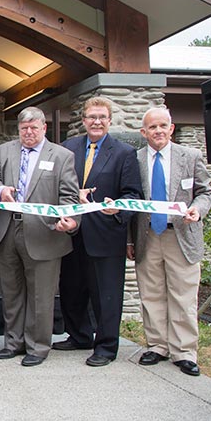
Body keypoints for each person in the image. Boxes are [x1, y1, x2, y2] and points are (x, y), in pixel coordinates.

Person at [0, 106, 80, 367]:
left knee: (41, 295)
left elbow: (69, 196)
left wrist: (70, 220)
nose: (28, 132)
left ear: (44, 128)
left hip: (45, 233)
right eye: (24, 128)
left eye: (34, 128)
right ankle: (13, 342)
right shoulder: (5, 151)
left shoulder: (62, 156)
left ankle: (38, 346)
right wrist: (0, 190)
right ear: (18, 129)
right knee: (11, 291)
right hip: (7, 230)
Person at [56, 97, 142, 367]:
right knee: (71, 289)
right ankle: (79, 336)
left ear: (109, 120)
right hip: (71, 232)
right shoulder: (68, 148)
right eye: (91, 117)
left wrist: (116, 209)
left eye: (102, 117)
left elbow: (133, 194)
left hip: (105, 234)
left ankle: (106, 346)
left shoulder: (124, 153)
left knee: (106, 295)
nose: (96, 121)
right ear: (83, 120)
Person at [128, 106, 211, 377]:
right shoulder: (136, 159)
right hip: (148, 235)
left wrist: (197, 210)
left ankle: (184, 351)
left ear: (171, 128)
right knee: (151, 293)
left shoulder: (191, 156)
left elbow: (205, 192)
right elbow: (131, 199)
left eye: (163, 126)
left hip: (181, 235)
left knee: (183, 294)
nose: (158, 131)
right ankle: (157, 345)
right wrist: (129, 240)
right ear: (144, 132)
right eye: (152, 127)